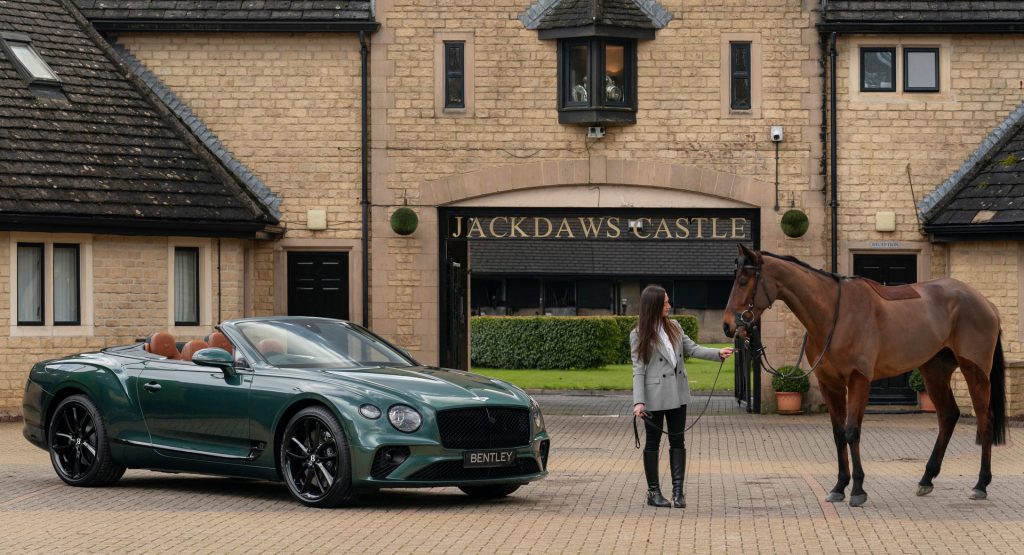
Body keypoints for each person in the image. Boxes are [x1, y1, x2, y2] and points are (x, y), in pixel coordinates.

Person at [631, 284, 733, 508]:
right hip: (654, 397)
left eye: (668, 301)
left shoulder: (675, 327)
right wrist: (639, 402)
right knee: (652, 443)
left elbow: (693, 349)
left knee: (678, 440)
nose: (669, 305)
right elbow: (638, 369)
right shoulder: (638, 333)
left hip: (678, 394)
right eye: (665, 302)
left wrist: (718, 353)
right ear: (654, 305)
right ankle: (653, 493)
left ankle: (678, 493)